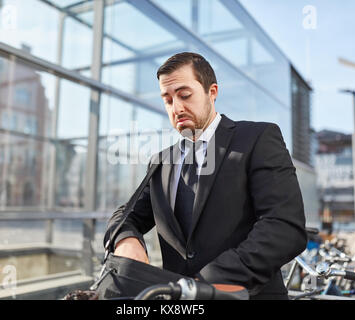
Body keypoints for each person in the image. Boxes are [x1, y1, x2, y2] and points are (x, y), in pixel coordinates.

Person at [103, 52, 307, 300]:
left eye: (185, 95)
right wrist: (127, 240)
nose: (176, 108)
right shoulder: (161, 161)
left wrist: (206, 282)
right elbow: (126, 216)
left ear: (212, 92)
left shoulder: (257, 138)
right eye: (167, 100)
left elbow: (284, 227)